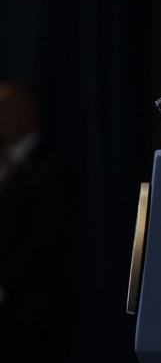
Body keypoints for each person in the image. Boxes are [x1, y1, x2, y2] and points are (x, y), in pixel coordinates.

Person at [0, 81, 74, 360]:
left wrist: (4, 283)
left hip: (33, 314)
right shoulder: (6, 162)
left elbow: (45, 240)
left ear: (28, 110)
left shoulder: (50, 167)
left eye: (5, 107)